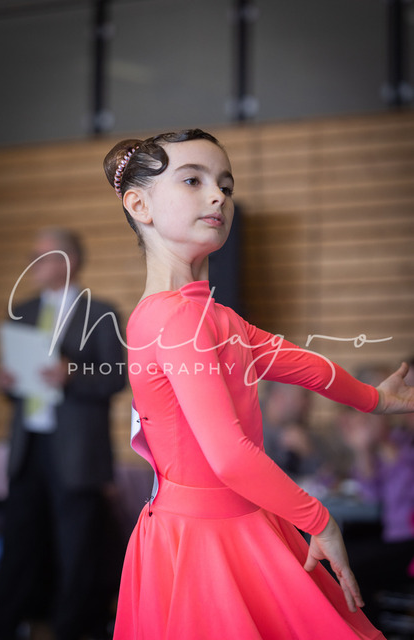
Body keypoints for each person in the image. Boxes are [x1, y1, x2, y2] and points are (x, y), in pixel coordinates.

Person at [103, 128, 414, 639]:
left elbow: (301, 364)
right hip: (208, 538)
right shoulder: (178, 317)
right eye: (193, 180)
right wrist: (319, 519)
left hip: (227, 523)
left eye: (225, 185)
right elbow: (228, 456)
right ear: (140, 205)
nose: (218, 196)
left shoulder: (210, 316)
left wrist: (375, 399)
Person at [0, 228, 126, 640]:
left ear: (71, 261)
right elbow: (14, 383)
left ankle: (70, 630)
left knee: (77, 550)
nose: (34, 264)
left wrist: (73, 374)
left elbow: (116, 377)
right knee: (19, 545)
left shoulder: (101, 312)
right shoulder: (23, 311)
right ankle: (3, 627)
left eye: (43, 256)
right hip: (28, 446)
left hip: (77, 452)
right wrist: (7, 381)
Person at [338, 363, 414, 626]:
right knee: (338, 556)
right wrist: (364, 451)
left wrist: (387, 450)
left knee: (350, 566)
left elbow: (402, 501)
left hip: (406, 541)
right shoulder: (398, 439)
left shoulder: (399, 445)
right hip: (394, 537)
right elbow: (370, 498)